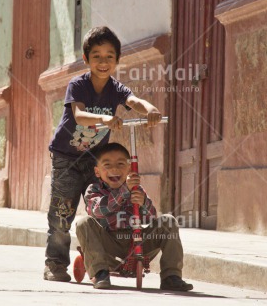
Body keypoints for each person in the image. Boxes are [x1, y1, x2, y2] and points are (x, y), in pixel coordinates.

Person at [44, 26, 162, 282]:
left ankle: (97, 258)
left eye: (110, 56)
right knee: (63, 212)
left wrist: (150, 109)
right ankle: (54, 263)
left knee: (102, 210)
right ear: (86, 60)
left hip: (97, 162)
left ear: (117, 61)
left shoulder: (117, 89)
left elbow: (134, 102)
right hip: (67, 158)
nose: (103, 62)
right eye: (96, 56)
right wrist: (104, 118)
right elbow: (78, 115)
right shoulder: (78, 85)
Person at [76, 143, 194, 291]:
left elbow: (150, 218)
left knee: (168, 221)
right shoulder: (94, 190)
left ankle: (171, 276)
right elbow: (99, 210)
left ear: (130, 169)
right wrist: (124, 191)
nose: (114, 169)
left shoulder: (137, 189)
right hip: (109, 244)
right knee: (83, 223)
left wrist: (144, 202)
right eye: (107, 165)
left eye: (120, 164)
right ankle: (100, 273)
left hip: (137, 242)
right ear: (97, 172)